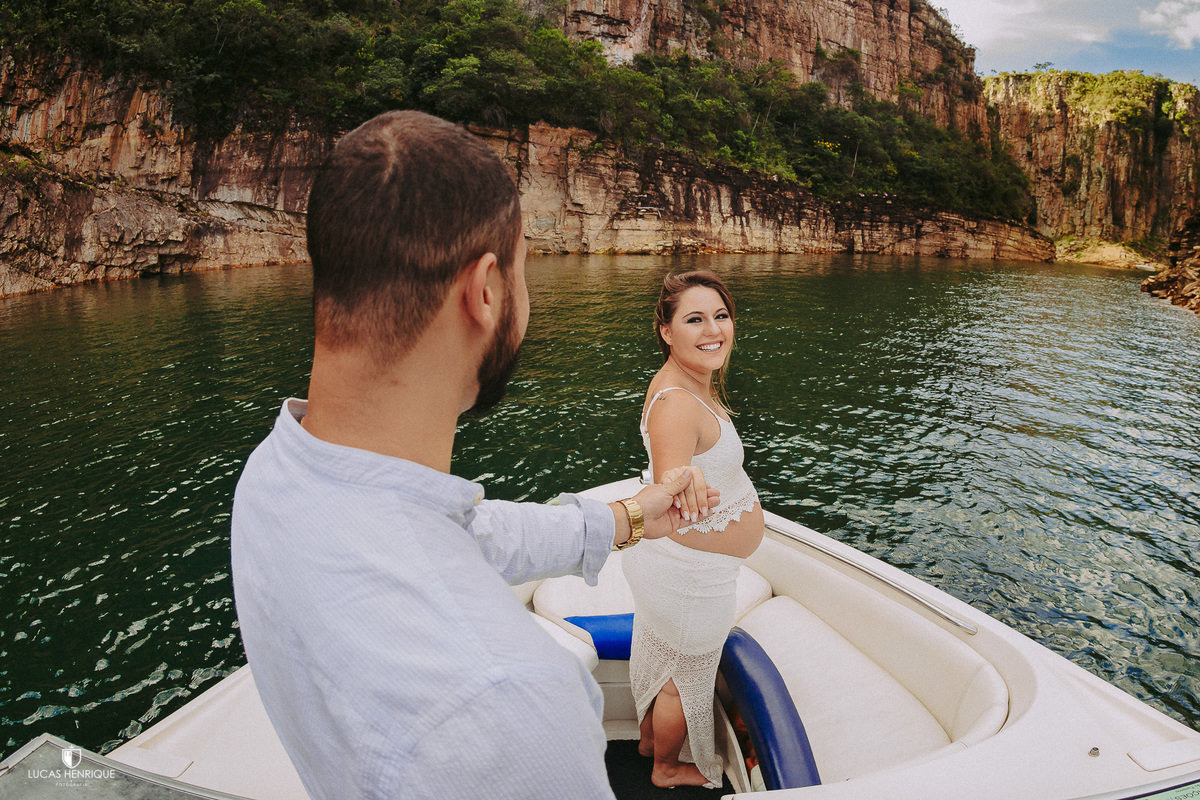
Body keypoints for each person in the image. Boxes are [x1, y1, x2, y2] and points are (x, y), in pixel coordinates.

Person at [229, 111, 718, 800]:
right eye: (524, 275)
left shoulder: (276, 476)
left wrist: (628, 518)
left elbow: (462, 535)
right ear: (485, 291)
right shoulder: (508, 706)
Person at [622, 270, 766, 789]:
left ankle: (646, 743)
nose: (713, 330)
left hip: (682, 570)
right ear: (666, 330)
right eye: (694, 319)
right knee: (682, 681)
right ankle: (664, 768)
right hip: (687, 576)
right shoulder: (678, 403)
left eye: (721, 316)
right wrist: (684, 480)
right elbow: (670, 483)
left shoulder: (687, 382)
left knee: (663, 658)